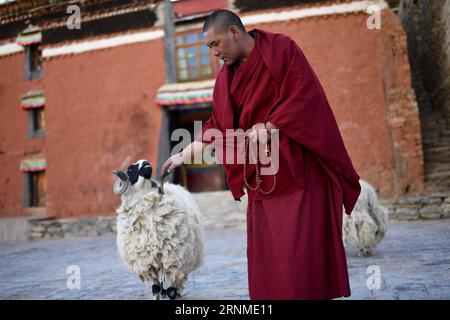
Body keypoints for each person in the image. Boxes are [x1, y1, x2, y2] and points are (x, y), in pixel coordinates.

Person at [161, 9, 361, 300]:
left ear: (233, 32)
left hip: (298, 169)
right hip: (261, 174)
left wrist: (270, 125)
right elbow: (217, 124)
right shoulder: (226, 79)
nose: (214, 53)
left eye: (215, 44)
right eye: (208, 47)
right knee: (272, 251)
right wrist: (184, 153)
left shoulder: (282, 50)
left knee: (302, 246)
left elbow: (305, 95)